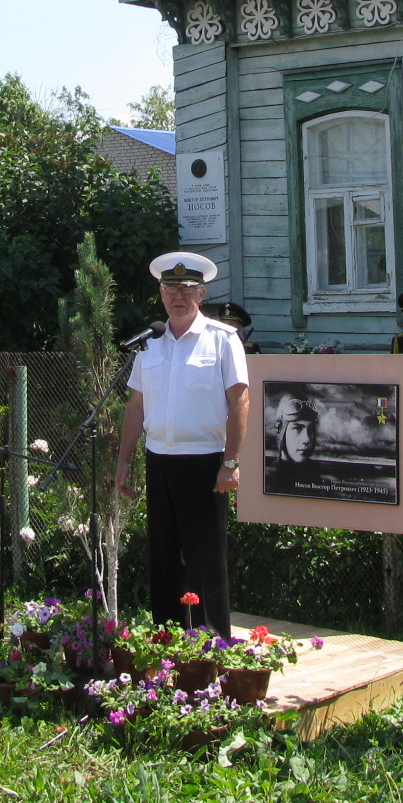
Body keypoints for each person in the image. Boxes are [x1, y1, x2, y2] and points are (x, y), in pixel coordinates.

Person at [116, 252, 249, 637]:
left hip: (205, 463)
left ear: (201, 293)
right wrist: (124, 462)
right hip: (160, 461)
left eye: (187, 289)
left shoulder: (223, 340)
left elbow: (240, 400)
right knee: (164, 559)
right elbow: (136, 406)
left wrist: (231, 463)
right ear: (161, 293)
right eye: (171, 288)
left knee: (205, 561)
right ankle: (168, 643)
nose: (179, 296)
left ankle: (212, 648)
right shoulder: (150, 345)